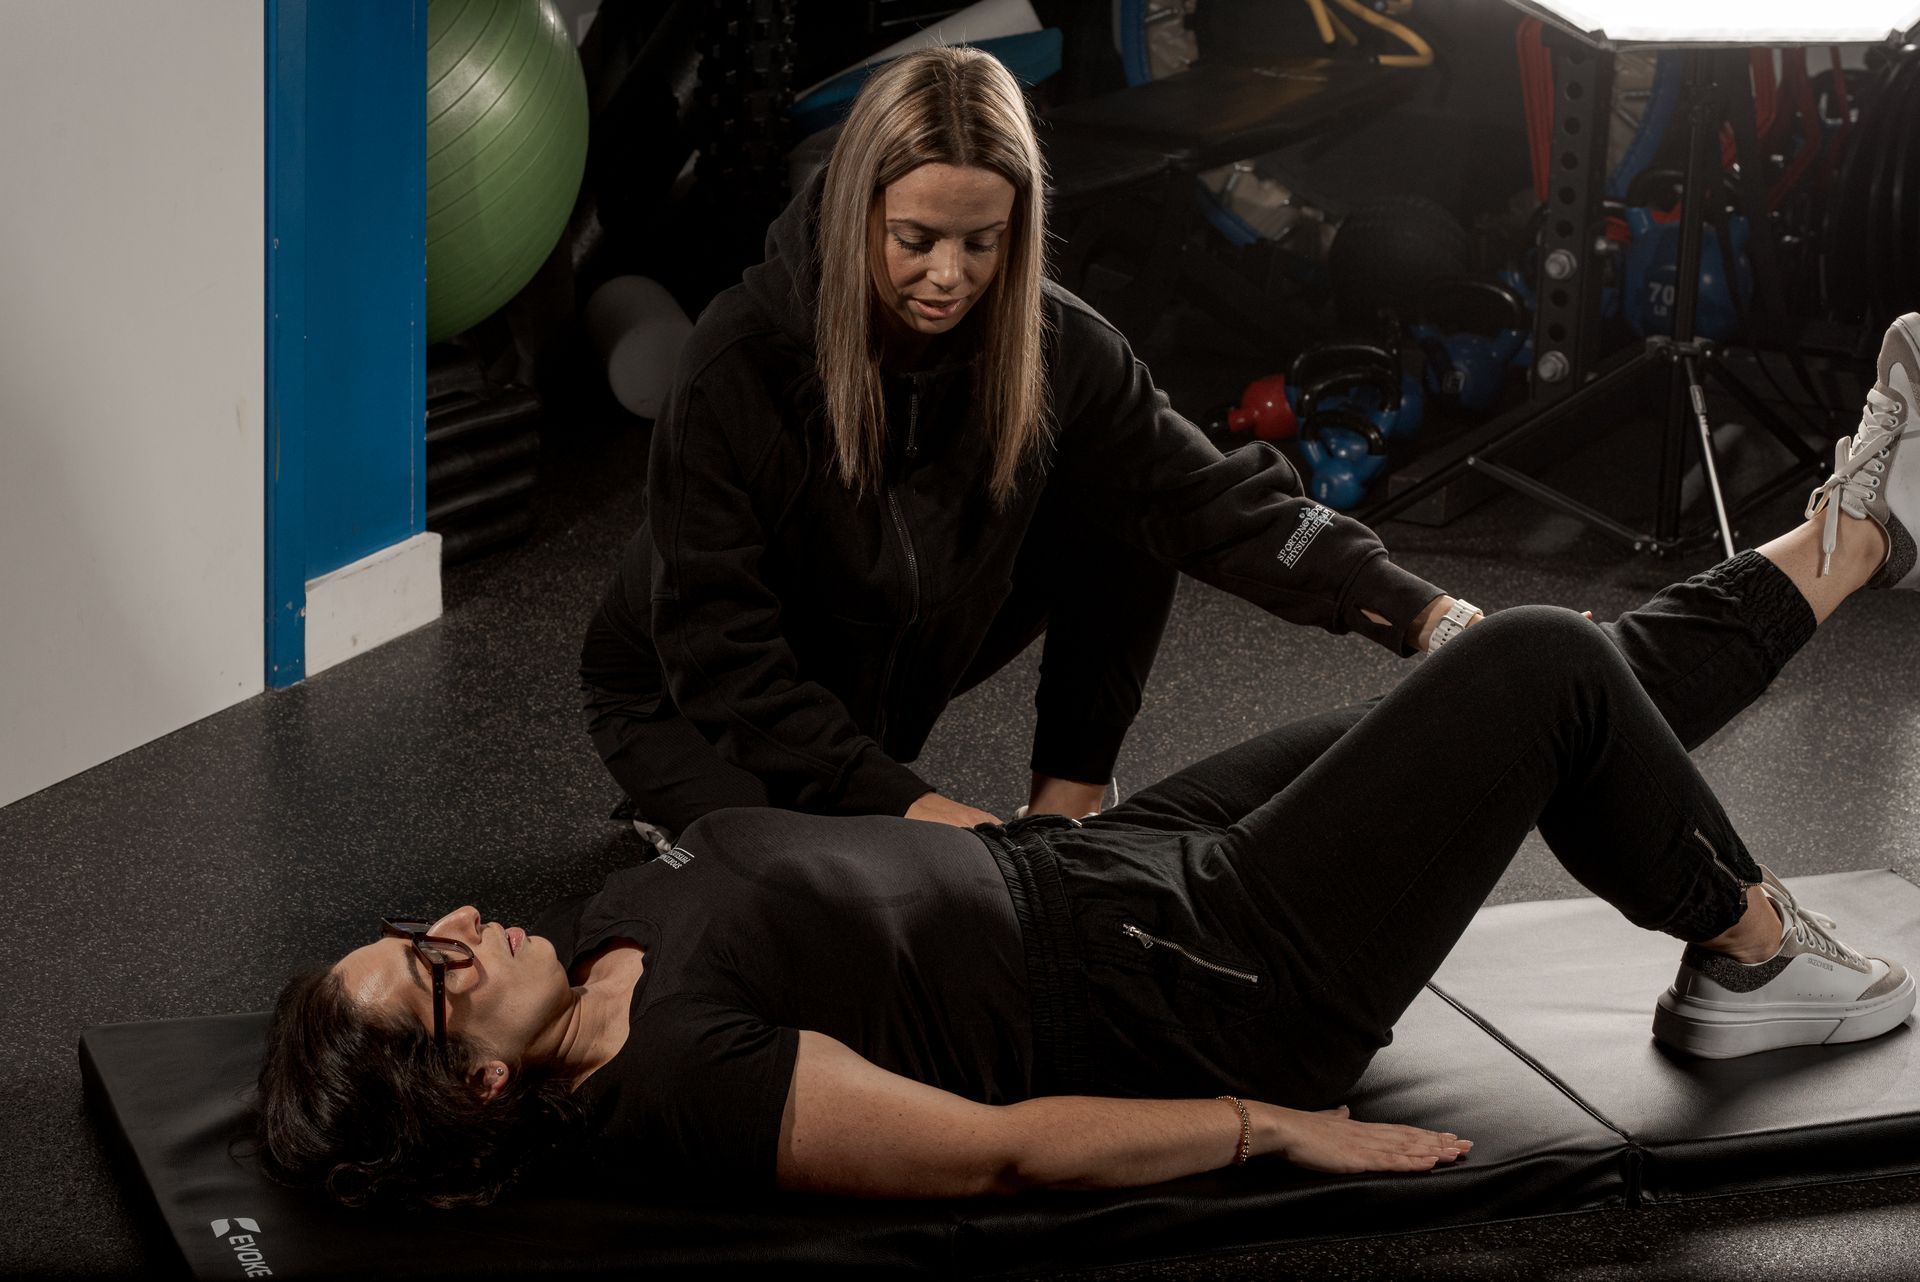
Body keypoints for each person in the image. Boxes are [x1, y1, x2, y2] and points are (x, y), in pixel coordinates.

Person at [258, 318, 1919, 1208]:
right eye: (431, 968)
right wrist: (1268, 1124)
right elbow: (996, 1151)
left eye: (415, 928)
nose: (453, 923)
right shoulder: (680, 1085)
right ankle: (1754, 952)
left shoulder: (613, 925)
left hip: (1104, 876)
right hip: (1207, 985)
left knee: (1542, 695)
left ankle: (1856, 539)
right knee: (1537, 663)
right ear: (476, 1084)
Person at [579, 46, 1458, 849]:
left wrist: (1427, 616)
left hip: (876, 657)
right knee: (819, 890)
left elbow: (1209, 499)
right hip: (686, 698)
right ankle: (700, 810)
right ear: (856, 212)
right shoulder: (737, 364)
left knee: (1134, 495)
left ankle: (1069, 810)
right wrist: (915, 806)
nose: (950, 276)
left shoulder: (1061, 345)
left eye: (982, 243)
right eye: (916, 240)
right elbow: (716, 653)